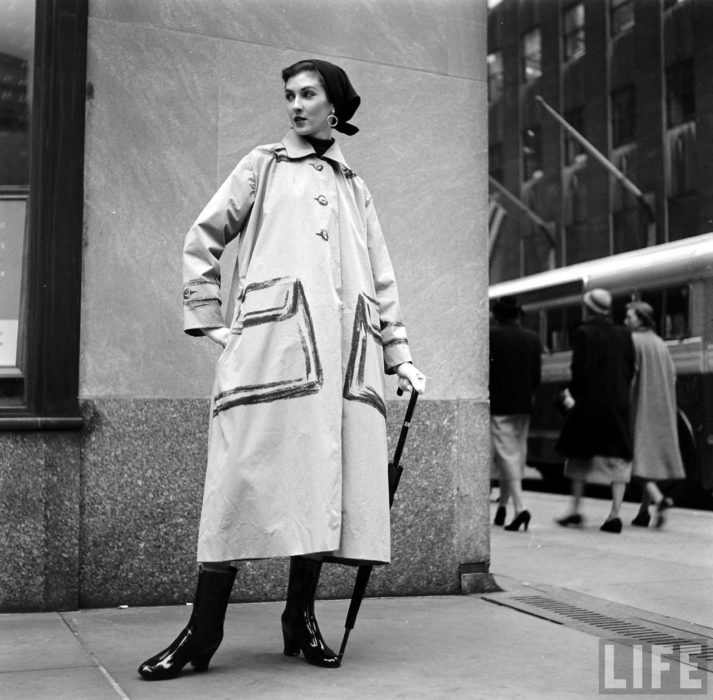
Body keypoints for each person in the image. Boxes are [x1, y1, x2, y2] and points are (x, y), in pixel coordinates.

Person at [138, 59, 426, 681]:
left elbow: (382, 277)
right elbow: (203, 238)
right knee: (236, 481)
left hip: (347, 358)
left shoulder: (355, 187)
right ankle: (203, 630)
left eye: (307, 94)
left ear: (334, 106)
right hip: (271, 352)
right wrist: (211, 319)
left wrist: (398, 354)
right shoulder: (262, 165)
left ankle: (300, 617)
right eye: (288, 95)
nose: (295, 105)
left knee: (324, 484)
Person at [556, 288, 635, 534]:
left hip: (590, 402)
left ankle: (576, 510)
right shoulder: (624, 333)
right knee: (618, 458)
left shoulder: (583, 333)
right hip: (617, 401)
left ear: (588, 308)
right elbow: (630, 368)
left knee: (579, 454)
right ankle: (615, 514)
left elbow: (580, 372)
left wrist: (573, 396)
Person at [625, 301, 685, 528]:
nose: (625, 320)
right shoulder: (660, 342)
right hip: (661, 406)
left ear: (641, 319)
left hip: (639, 406)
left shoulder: (633, 341)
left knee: (635, 459)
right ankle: (643, 511)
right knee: (648, 459)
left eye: (629, 316)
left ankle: (659, 499)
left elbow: (631, 376)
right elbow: (673, 374)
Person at [489, 296, 542, 531]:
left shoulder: (492, 336)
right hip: (524, 405)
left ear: (497, 314)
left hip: (500, 405)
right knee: (515, 454)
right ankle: (502, 506)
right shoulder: (532, 338)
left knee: (506, 456)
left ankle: (520, 508)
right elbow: (536, 376)